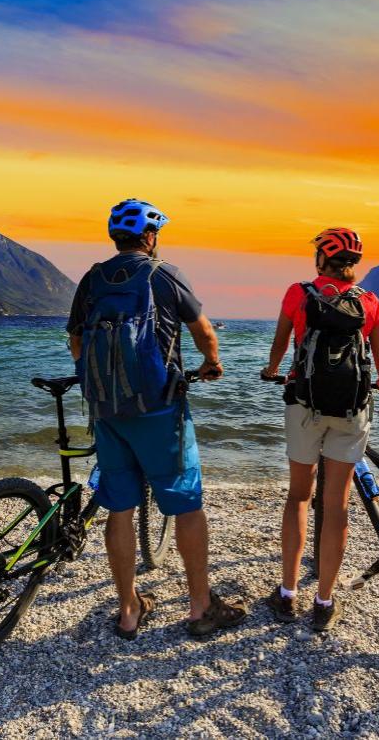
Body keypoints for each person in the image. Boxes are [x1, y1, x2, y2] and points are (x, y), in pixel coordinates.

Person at [67, 198, 247, 639]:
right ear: (151, 236)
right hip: (159, 410)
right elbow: (203, 332)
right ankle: (200, 606)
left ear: (116, 237)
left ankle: (129, 610)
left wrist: (102, 384)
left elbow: (75, 341)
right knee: (187, 506)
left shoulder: (92, 279)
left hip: (106, 411)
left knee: (119, 508)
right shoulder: (163, 273)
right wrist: (212, 363)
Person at [261, 227, 379, 632]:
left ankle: (287, 596)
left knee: (300, 496)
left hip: (305, 406)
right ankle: (323, 601)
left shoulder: (298, 293)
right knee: (335, 505)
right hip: (351, 410)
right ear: (353, 265)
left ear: (322, 259)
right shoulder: (370, 302)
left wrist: (272, 371)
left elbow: (280, 347)